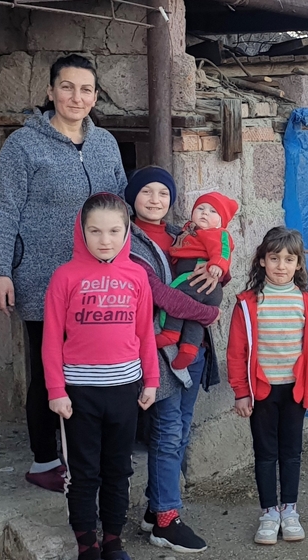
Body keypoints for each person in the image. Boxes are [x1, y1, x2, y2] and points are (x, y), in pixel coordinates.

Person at [0, 54, 127, 493]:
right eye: (67, 87)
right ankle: (45, 459)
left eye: (85, 89)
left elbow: (121, 204)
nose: (76, 97)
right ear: (51, 91)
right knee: (51, 367)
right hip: (41, 276)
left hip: (98, 280)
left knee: (89, 368)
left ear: (95, 96)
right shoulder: (23, 146)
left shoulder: (105, 143)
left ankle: (83, 455)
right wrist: (0, 271)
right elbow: (4, 211)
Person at [42, 193, 158, 560]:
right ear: (82, 231)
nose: (104, 240)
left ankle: (112, 541)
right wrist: (56, 390)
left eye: (113, 231)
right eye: (95, 231)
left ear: (126, 232)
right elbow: (51, 338)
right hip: (79, 394)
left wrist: (151, 380)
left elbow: (145, 332)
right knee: (83, 472)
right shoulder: (65, 277)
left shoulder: (137, 276)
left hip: (124, 390)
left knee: (118, 469)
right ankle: (87, 545)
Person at [125, 166, 218, 553]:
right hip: (157, 349)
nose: (155, 199)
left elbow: (214, 273)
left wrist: (216, 271)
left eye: (163, 193)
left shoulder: (185, 235)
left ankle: (155, 508)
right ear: (132, 197)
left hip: (193, 348)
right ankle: (166, 520)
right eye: (146, 191)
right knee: (166, 431)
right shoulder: (128, 242)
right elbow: (156, 293)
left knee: (180, 429)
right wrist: (207, 312)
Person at [226, 227, 308, 545]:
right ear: (262, 261)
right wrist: (241, 392)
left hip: (295, 391)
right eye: (274, 258)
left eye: (288, 259)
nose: (281, 265)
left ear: (299, 264)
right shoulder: (247, 303)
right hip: (262, 392)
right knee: (265, 453)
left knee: (291, 452)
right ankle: (269, 513)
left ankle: (290, 510)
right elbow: (236, 352)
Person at [156, 192, 239, 370]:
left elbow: (224, 250)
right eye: (200, 208)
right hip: (204, 286)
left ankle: (171, 331)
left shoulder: (218, 233)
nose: (205, 213)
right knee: (195, 318)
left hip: (197, 279)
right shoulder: (188, 232)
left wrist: (216, 266)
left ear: (221, 222)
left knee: (176, 295)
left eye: (212, 211)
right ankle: (189, 348)